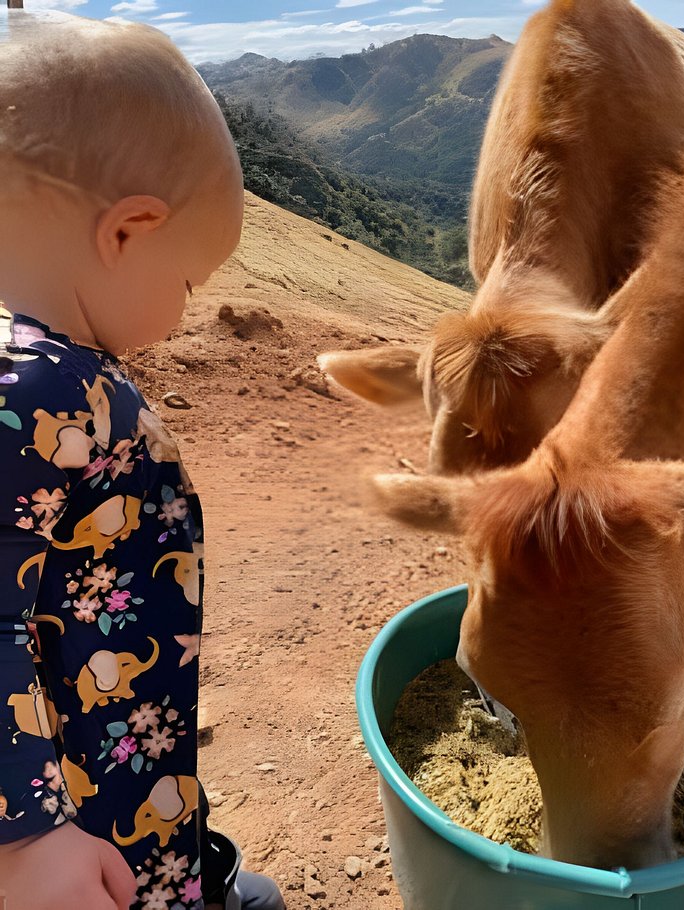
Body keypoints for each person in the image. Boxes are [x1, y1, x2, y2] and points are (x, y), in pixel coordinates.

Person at [0, 10, 284, 909]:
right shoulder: (40, 389)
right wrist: (26, 840)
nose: (186, 310)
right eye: (190, 282)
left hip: (111, 753)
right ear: (126, 231)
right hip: (76, 806)